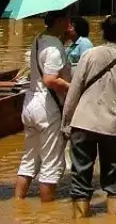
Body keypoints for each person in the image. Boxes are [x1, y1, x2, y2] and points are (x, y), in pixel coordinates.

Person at [62, 14, 116, 218]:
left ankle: (80, 219)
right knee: (114, 178)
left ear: (103, 33)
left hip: (82, 122)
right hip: (112, 126)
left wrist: (66, 123)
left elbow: (74, 92)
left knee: (80, 176)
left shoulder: (88, 55)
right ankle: (114, 218)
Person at [15, 10, 72, 203]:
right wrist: (73, 88)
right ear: (59, 21)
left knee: (29, 159)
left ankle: (18, 204)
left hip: (30, 102)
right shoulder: (54, 47)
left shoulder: (38, 39)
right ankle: (47, 214)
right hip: (48, 107)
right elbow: (50, 79)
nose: (69, 23)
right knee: (51, 163)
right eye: (67, 19)